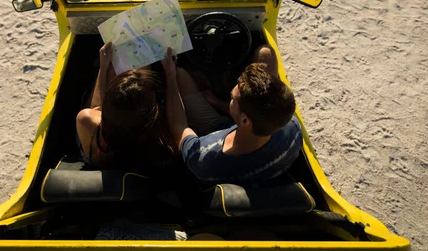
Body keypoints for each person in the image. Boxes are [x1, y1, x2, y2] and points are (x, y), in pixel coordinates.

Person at [161, 45, 303, 186]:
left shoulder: (204, 157)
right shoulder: (292, 128)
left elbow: (178, 126)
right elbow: (247, 118)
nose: (231, 96)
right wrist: (217, 103)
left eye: (232, 98)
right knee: (266, 53)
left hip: (214, 128)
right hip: (237, 128)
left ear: (244, 120)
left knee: (180, 74)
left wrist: (170, 75)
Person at [76, 42, 176, 170]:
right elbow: (177, 121)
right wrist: (170, 75)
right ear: (152, 110)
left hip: (101, 150)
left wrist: (103, 68)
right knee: (140, 72)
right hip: (134, 157)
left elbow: (97, 108)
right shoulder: (162, 140)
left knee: (113, 72)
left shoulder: (86, 120)